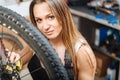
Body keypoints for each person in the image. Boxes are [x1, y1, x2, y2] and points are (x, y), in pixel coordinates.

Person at [9, 0, 96, 80]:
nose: (45, 27)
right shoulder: (37, 41)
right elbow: (19, 62)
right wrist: (14, 60)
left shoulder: (82, 52)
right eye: (39, 20)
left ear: (63, 16)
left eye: (51, 17)